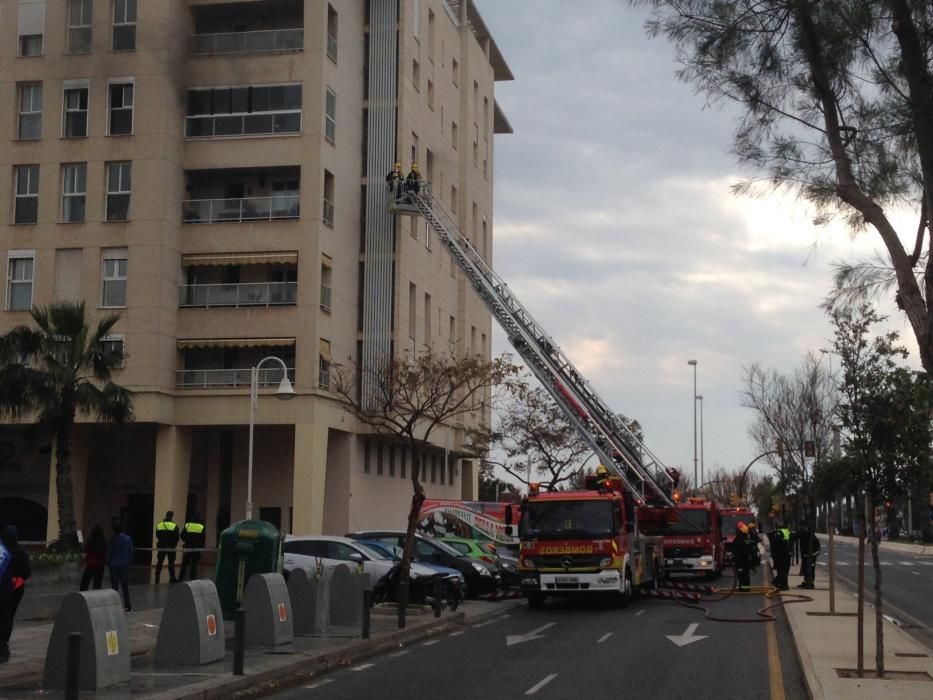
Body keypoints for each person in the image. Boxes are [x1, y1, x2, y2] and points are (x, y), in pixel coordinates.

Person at [0, 525, 31, 664]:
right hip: (15, 588)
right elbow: (27, 573)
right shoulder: (20, 552)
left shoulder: (1, 551)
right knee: (8, 617)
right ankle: (2, 648)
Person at [107, 520, 134, 612]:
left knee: (114, 586)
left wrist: (107, 562)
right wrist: (130, 562)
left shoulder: (112, 539)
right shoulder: (127, 538)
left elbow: (109, 552)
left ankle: (114, 605)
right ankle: (128, 605)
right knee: (125, 585)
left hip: (114, 564)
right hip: (124, 564)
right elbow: (131, 551)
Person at [154, 511, 180, 584]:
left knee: (160, 562)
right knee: (171, 563)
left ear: (166, 515)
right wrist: (173, 544)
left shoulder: (159, 525)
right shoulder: (174, 526)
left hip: (161, 546)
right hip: (171, 547)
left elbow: (157, 535)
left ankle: (157, 576)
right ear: (172, 516)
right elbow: (177, 537)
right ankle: (172, 577)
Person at [178, 512, 206, 582]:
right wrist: (201, 547)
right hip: (197, 548)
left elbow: (182, 535)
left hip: (188, 547)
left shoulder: (187, 525)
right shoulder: (201, 526)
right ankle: (192, 579)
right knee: (194, 565)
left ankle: (180, 578)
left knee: (184, 564)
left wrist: (186, 541)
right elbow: (203, 538)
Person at [80, 525, 107, 591]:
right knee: (97, 584)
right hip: (100, 565)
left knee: (85, 583)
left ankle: (84, 596)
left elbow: (85, 550)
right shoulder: (103, 541)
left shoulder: (90, 541)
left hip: (90, 564)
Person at [767, 520, 791, 590]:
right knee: (784, 571)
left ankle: (782, 585)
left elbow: (771, 537)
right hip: (786, 554)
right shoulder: (787, 532)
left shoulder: (777, 533)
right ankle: (782, 584)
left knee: (781, 570)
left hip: (779, 554)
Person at [796, 523, 820, 589]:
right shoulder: (804, 535)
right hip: (805, 556)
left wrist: (812, 556)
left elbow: (818, 549)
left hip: (811, 557)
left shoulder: (812, 538)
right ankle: (806, 581)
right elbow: (797, 536)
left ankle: (810, 583)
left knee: (811, 569)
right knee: (805, 569)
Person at [733, 522, 751, 592]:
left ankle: (744, 588)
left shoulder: (739, 538)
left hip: (740, 560)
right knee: (745, 574)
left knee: (741, 574)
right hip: (745, 560)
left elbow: (737, 548)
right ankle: (744, 587)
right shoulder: (745, 537)